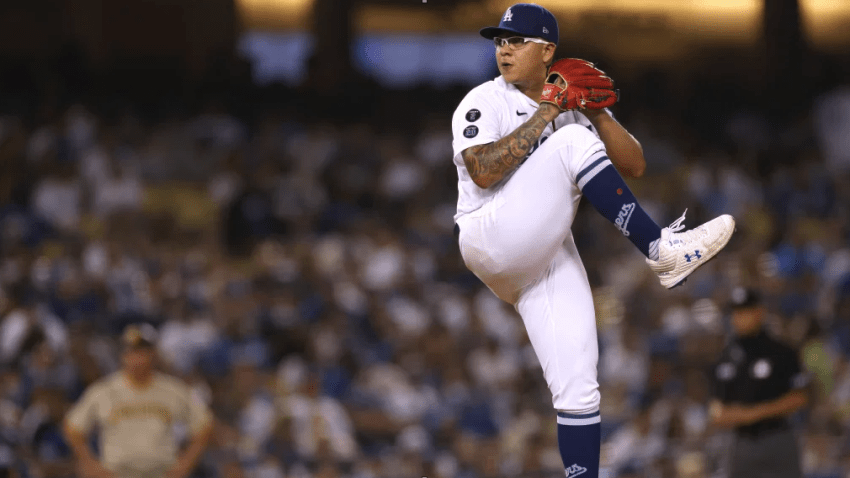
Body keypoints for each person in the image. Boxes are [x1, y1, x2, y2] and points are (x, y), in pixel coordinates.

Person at [450, 3, 736, 476]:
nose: (504, 49)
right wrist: (550, 112)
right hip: (488, 232)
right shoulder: (485, 99)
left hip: (539, 254)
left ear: (548, 51)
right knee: (571, 145)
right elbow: (482, 172)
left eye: (517, 40)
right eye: (500, 40)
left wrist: (597, 112)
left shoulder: (568, 113)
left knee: (580, 386)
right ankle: (661, 251)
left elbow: (635, 165)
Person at [63, 324, 214, 478]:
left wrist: (185, 464)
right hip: (118, 473)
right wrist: (90, 463)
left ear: (153, 354)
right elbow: (73, 427)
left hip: (161, 472)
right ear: (123, 355)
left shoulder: (172, 389)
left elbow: (204, 424)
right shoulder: (104, 390)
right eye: (133, 351)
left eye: (143, 352)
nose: (138, 358)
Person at [709, 287, 809, 478]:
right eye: (736, 312)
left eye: (746, 311)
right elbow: (716, 412)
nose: (740, 317)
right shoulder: (725, 358)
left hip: (778, 437)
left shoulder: (781, 352)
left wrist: (752, 413)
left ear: (759, 312)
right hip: (740, 441)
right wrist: (740, 416)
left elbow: (799, 398)